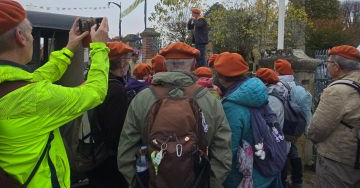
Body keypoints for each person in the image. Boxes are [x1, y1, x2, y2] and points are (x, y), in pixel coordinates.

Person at [0, 0, 110, 187]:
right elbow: (95, 92)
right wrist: (99, 47)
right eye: (31, 32)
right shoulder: (35, 97)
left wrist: (68, 49)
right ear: (21, 37)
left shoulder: (10, 84)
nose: (33, 38)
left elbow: (38, 77)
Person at [117, 42, 232, 187]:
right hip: (196, 180)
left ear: (165, 65)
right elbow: (223, 152)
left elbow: (125, 151)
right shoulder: (210, 101)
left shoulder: (141, 99)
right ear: (194, 65)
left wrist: (136, 182)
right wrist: (211, 183)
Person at [307, 45, 360, 188]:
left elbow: (316, 130)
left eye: (328, 63)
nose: (327, 66)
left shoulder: (336, 91)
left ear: (336, 66)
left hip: (337, 160)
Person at [213, 52, 274, 188]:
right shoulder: (256, 92)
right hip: (265, 169)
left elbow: (228, 150)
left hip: (244, 179)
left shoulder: (231, 106)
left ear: (222, 78)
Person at [86, 41, 134, 188]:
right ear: (121, 62)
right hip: (109, 162)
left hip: (95, 156)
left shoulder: (97, 84)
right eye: (127, 58)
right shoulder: (116, 91)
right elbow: (118, 134)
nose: (129, 62)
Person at [274, 59, 311, 188]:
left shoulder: (274, 87)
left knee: (281, 153)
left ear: (276, 71)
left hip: (279, 128)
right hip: (294, 129)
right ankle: (297, 179)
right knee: (293, 151)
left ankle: (282, 181)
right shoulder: (301, 91)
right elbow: (307, 115)